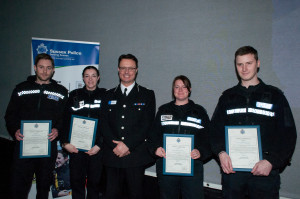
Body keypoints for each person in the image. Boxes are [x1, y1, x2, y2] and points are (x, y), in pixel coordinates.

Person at [210, 46, 297, 199]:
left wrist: (272, 161)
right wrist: (221, 153)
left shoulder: (275, 96)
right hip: (233, 175)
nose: (244, 68)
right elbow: (214, 131)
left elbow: (288, 134)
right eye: (240, 64)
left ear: (258, 63)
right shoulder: (227, 97)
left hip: (265, 174)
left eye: (249, 63)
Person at [5, 53, 68, 199]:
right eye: (41, 67)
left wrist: (57, 129)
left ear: (53, 70)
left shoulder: (61, 92)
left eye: (48, 68)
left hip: (47, 148)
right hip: (23, 146)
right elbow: (10, 115)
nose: (45, 71)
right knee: (18, 188)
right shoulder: (21, 88)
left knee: (43, 188)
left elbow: (64, 117)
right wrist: (14, 130)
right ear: (35, 68)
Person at [101, 54, 156, 199]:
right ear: (118, 70)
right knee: (111, 195)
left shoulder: (147, 95)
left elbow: (147, 124)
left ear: (136, 70)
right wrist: (116, 146)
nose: (127, 71)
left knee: (135, 194)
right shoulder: (107, 95)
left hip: (135, 156)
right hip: (112, 154)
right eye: (123, 68)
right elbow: (103, 124)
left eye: (131, 68)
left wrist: (127, 145)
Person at [148, 75, 211, 199]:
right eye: (177, 87)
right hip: (167, 167)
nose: (180, 90)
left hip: (192, 168)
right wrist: (156, 149)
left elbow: (209, 138)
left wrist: (201, 152)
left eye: (184, 87)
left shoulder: (199, 112)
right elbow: (152, 135)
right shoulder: (163, 110)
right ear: (173, 89)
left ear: (190, 89)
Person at [61, 66, 106, 199]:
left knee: (94, 184)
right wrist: (65, 143)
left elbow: (109, 123)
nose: (90, 79)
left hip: (96, 149)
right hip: (76, 148)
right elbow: (64, 120)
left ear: (98, 78)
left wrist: (100, 145)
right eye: (87, 76)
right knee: (76, 183)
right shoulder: (74, 95)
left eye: (93, 75)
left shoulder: (105, 95)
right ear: (83, 78)